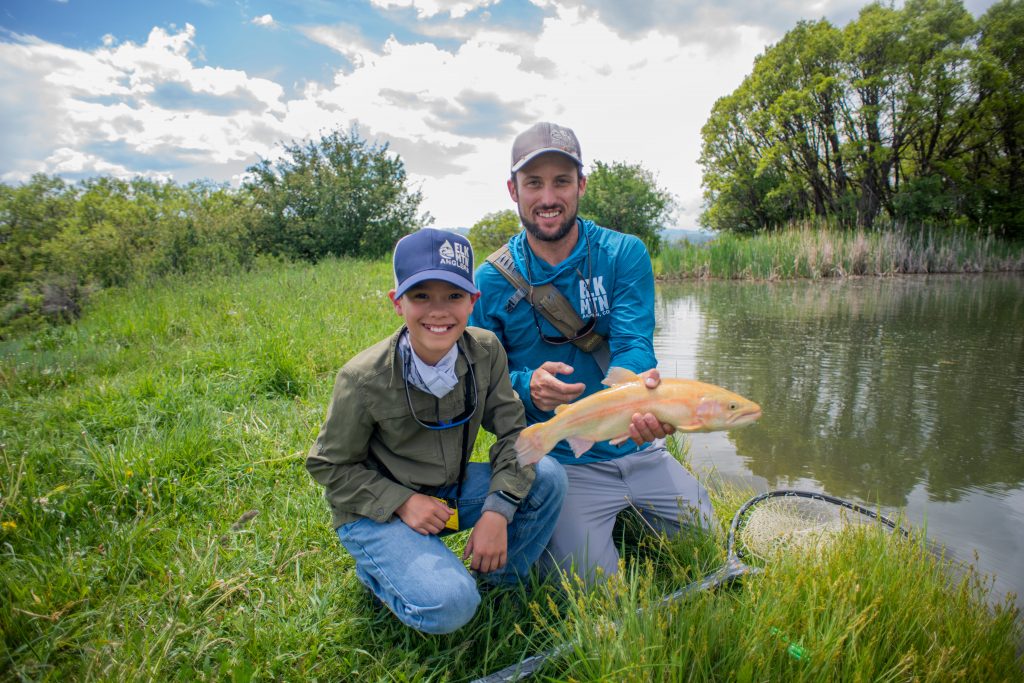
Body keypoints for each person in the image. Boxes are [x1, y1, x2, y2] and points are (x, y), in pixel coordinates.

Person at [469, 122, 716, 583]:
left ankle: (630, 505)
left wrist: (640, 405)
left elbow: (634, 343)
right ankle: (573, 520)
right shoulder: (489, 281)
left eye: (562, 181)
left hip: (638, 448)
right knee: (596, 589)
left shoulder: (624, 253)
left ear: (581, 184)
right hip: (561, 459)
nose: (548, 197)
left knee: (705, 541)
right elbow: (485, 385)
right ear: (512, 190)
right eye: (534, 183)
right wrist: (527, 384)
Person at [306, 228, 567, 635]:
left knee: (548, 475)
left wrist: (498, 512)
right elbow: (329, 468)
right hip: (377, 512)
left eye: (453, 296)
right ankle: (379, 575)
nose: (439, 311)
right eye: (421, 296)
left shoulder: (487, 350)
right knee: (449, 605)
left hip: (449, 494)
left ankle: (498, 583)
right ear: (397, 303)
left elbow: (515, 436)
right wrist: (402, 502)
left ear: (473, 301)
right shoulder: (361, 378)